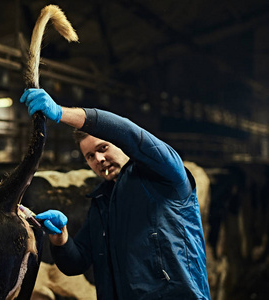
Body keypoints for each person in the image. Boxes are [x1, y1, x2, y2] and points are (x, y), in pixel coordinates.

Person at [20, 88, 211, 300]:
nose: (99, 159)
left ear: (121, 144)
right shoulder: (102, 202)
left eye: (103, 148)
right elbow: (77, 262)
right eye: (90, 156)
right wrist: (60, 238)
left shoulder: (166, 176)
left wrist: (61, 113)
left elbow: (131, 134)